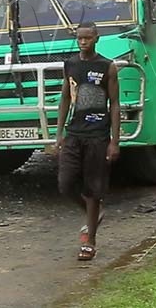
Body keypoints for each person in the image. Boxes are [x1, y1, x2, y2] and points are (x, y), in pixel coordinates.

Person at [55, 22, 121, 262]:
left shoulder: (107, 66)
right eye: (80, 38)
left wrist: (115, 141)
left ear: (96, 38)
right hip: (74, 133)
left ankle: (90, 241)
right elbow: (65, 98)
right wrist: (58, 133)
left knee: (93, 188)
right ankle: (93, 213)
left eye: (88, 38)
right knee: (65, 183)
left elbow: (115, 104)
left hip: (98, 135)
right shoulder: (70, 64)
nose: (83, 42)